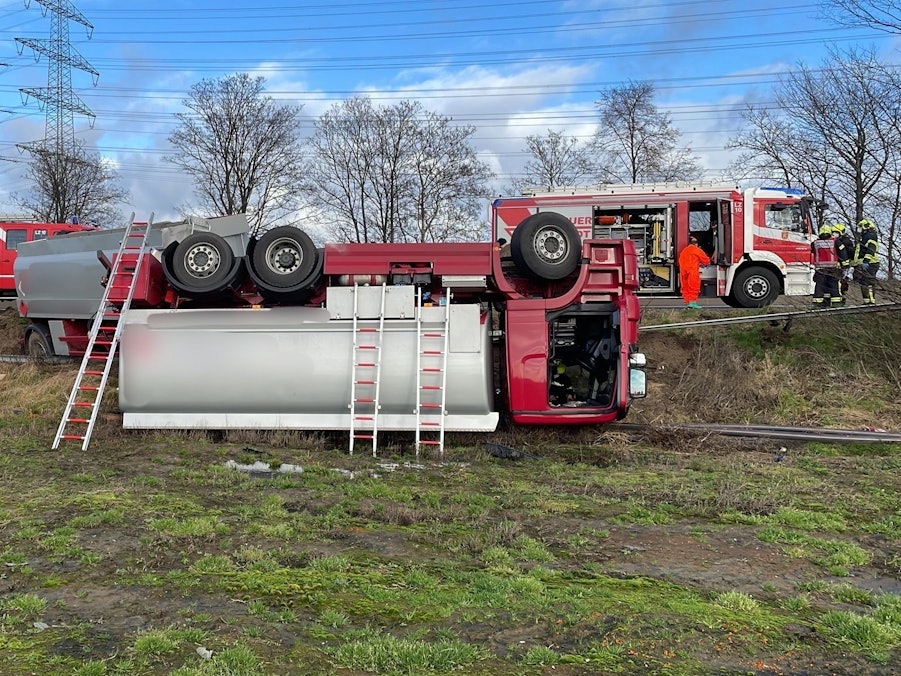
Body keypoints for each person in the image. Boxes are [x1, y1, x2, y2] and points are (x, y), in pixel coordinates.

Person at [811, 224, 841, 306]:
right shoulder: (835, 241)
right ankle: (836, 303)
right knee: (833, 285)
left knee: (820, 286)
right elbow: (841, 252)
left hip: (820, 269)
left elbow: (812, 251)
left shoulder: (815, 243)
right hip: (832, 268)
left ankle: (818, 303)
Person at [677, 235, 710, 309]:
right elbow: (706, 260)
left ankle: (688, 303)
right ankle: (693, 303)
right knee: (693, 287)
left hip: (683, 272)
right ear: (696, 244)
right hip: (692, 271)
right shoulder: (697, 250)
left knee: (685, 288)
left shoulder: (684, 251)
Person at [853, 218, 880, 304]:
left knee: (869, 282)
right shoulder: (865, 237)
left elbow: (871, 249)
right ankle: (866, 301)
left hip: (871, 263)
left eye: (861, 227)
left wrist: (866, 261)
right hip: (865, 263)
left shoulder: (871, 236)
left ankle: (871, 301)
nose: (860, 229)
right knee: (864, 282)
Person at [832, 222, 855, 301]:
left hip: (843, 265)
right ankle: (841, 295)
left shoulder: (845, 242)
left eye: (836, 232)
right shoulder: (836, 241)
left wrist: (846, 264)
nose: (834, 234)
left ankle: (841, 296)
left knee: (841, 281)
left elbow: (848, 253)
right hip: (839, 264)